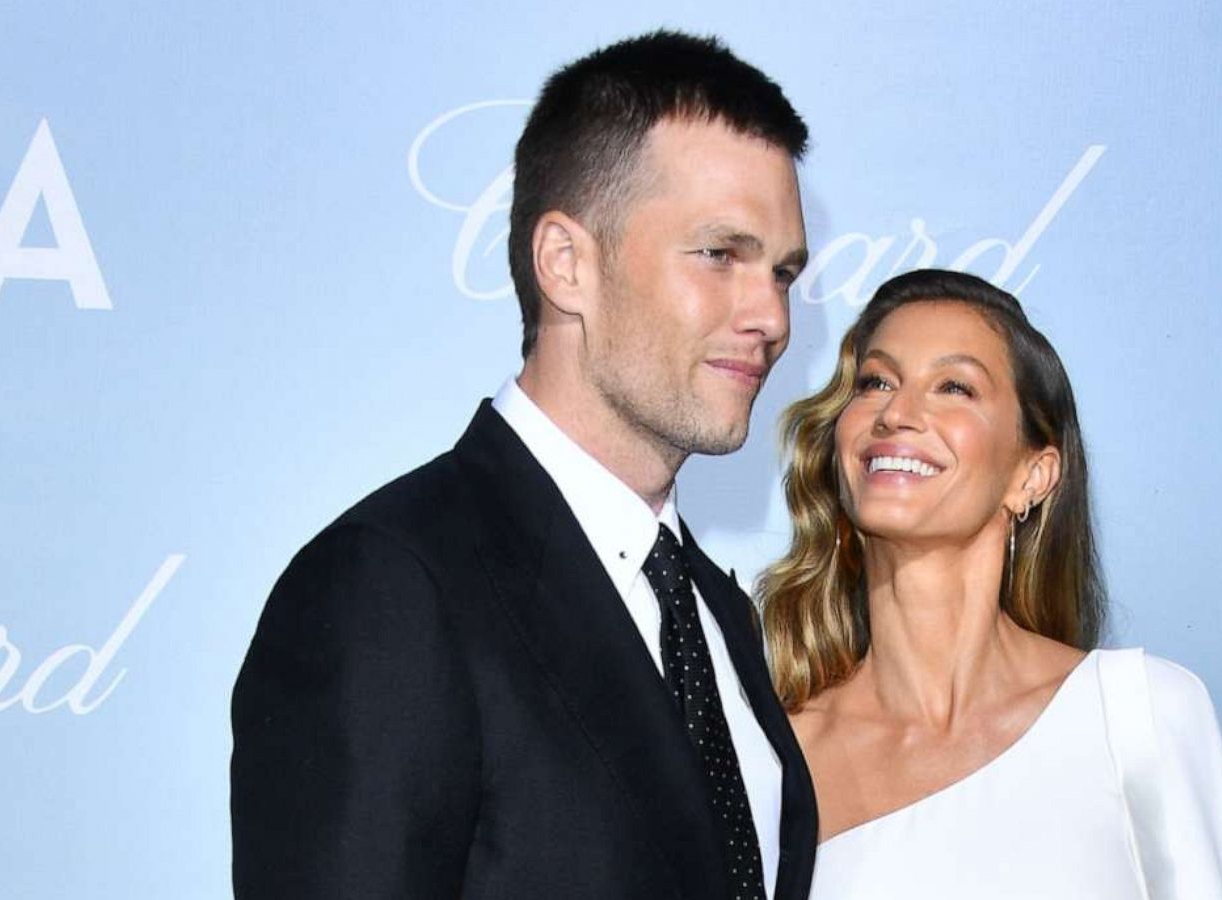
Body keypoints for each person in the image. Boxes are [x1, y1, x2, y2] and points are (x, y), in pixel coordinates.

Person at [231, 31, 817, 900]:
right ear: (566, 263)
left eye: (784, 271)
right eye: (719, 255)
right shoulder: (389, 589)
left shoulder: (718, 613)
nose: (769, 314)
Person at [758, 269, 1222, 898]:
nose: (898, 412)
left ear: (1033, 475)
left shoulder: (1135, 715)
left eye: (954, 387)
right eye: (876, 381)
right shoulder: (776, 760)